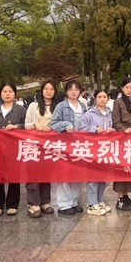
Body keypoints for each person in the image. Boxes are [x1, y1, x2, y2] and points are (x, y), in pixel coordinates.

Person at [0, 82, 26, 216]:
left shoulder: (21, 110)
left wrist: (17, 127)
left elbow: (26, 126)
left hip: (14, 150)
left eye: (10, 91)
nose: (7, 94)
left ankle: (12, 205)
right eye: (4, 92)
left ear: (15, 94)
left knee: (14, 177)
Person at [24, 81, 62, 218]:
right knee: (33, 173)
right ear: (41, 90)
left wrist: (52, 128)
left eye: (51, 89)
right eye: (46, 89)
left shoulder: (58, 107)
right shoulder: (33, 106)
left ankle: (45, 202)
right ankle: (33, 204)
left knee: (46, 173)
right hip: (34, 144)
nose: (49, 91)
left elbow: (60, 123)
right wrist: (35, 124)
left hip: (50, 145)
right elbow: (26, 124)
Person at [50, 79, 87, 215]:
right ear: (66, 91)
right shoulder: (61, 106)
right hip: (65, 145)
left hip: (79, 145)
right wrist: (65, 125)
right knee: (65, 174)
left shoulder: (83, 106)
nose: (73, 92)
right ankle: (64, 205)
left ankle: (74, 201)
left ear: (80, 91)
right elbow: (53, 123)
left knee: (76, 174)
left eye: (76, 89)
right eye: (70, 89)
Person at [79, 89, 115, 216]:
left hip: (105, 150)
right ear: (95, 99)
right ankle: (91, 204)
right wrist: (94, 128)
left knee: (102, 178)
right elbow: (81, 129)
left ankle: (99, 201)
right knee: (93, 177)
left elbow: (114, 128)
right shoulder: (89, 114)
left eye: (104, 96)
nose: (102, 99)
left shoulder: (110, 113)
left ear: (108, 98)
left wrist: (112, 130)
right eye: (99, 97)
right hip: (93, 149)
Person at [112, 77, 131, 211]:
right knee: (121, 167)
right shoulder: (117, 102)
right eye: (126, 87)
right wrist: (123, 130)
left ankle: (126, 196)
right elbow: (116, 121)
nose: (129, 90)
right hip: (123, 137)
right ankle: (120, 197)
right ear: (122, 88)